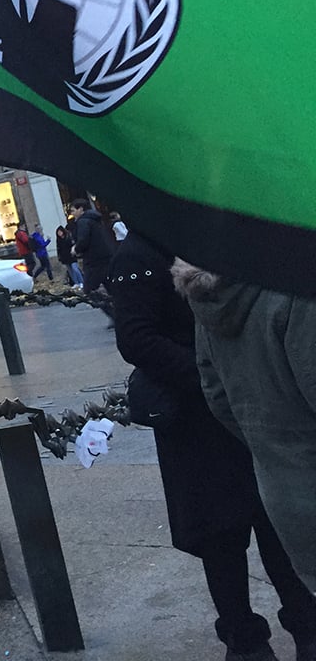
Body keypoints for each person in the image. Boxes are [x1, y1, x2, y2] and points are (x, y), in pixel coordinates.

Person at [111, 234, 316, 661]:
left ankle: (299, 626)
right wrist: (215, 378)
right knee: (224, 541)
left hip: (234, 408)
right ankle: (246, 639)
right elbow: (135, 338)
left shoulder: (204, 241)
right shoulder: (142, 253)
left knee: (273, 529)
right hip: (196, 422)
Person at [173, 262, 316, 596]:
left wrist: (272, 445)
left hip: (284, 493)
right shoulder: (299, 294)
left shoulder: (211, 297)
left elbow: (217, 395)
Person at [68, 198, 113, 295]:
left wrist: (75, 249)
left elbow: (83, 239)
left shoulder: (83, 221)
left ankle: (109, 308)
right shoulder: (95, 220)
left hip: (93, 260)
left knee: (89, 290)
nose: (72, 214)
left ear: (80, 209)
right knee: (110, 286)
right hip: (105, 256)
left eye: (73, 211)